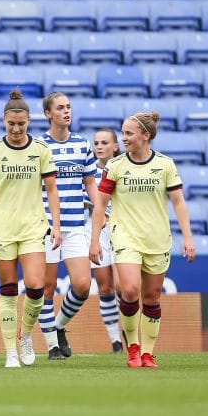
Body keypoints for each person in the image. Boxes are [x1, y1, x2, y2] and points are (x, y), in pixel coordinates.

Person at [90, 111, 196, 369]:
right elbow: (100, 204)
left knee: (151, 298)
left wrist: (188, 237)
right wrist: (94, 241)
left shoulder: (165, 165)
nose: (123, 138)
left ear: (145, 136)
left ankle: (148, 353)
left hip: (157, 238)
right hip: (125, 236)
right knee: (129, 290)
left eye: (129, 133)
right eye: (123, 133)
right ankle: (133, 346)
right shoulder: (115, 166)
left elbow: (179, 202)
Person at [0, 90, 61, 368]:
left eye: (21, 124)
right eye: (11, 124)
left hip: (33, 228)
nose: (16, 129)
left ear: (29, 122)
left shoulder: (40, 150)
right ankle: (10, 351)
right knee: (9, 290)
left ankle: (25, 335)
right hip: (2, 229)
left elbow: (51, 190)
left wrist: (56, 226)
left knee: (37, 287)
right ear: (4, 121)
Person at [36, 92, 98, 360]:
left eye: (69, 107)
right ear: (48, 113)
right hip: (47, 226)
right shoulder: (38, 145)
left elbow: (91, 183)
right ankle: (51, 346)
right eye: (60, 108)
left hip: (75, 225)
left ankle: (59, 326)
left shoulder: (83, 145)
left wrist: (100, 210)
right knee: (47, 287)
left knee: (83, 285)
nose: (66, 111)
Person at [88, 128, 125, 353]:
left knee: (124, 287)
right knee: (105, 287)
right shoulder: (90, 173)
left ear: (115, 147)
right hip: (99, 232)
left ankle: (130, 334)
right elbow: (87, 201)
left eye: (104, 142)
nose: (99, 146)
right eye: (96, 143)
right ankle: (116, 341)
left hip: (121, 230)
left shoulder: (123, 169)